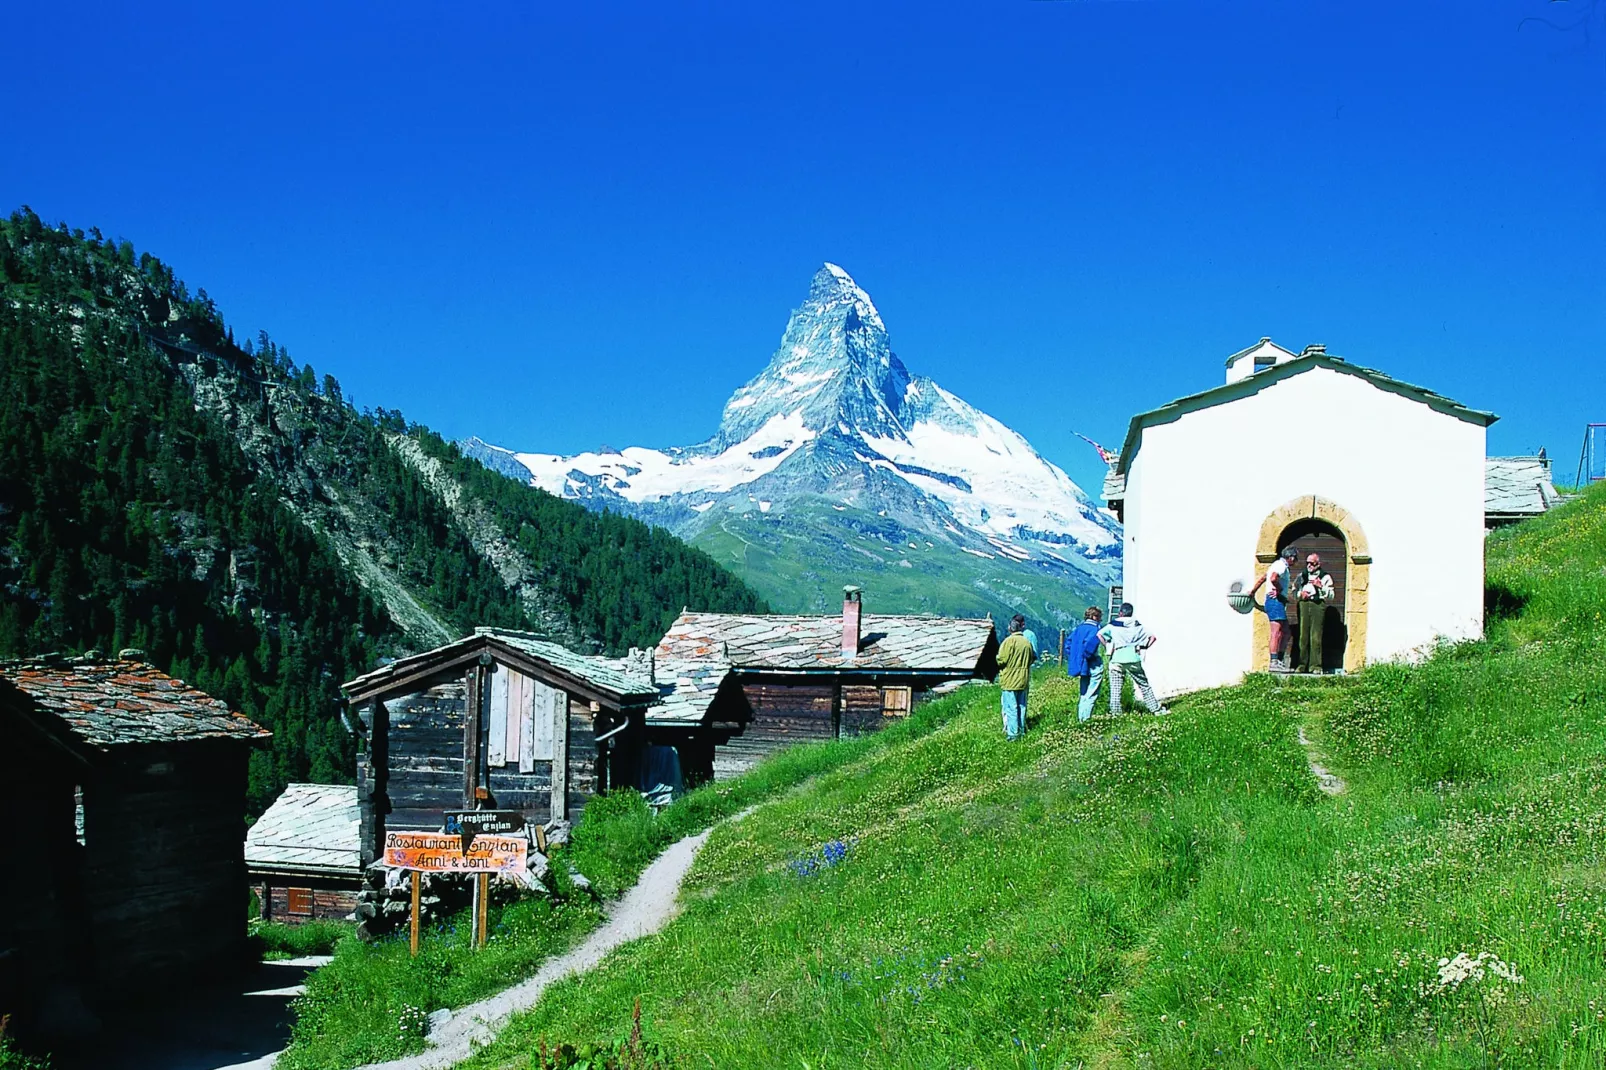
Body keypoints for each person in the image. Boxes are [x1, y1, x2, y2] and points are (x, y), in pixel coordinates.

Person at [1098, 602, 1167, 716]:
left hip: (1117, 658)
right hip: (1133, 657)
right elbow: (1152, 637)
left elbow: (1099, 634)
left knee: (1115, 688)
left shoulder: (1113, 625)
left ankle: (1116, 713)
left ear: (1120, 613)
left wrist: (1107, 646)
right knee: (1144, 685)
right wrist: (1144, 647)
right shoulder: (1137, 624)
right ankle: (1155, 709)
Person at [1249, 546, 1299, 671]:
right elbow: (1273, 578)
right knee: (1276, 632)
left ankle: (1279, 660)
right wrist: (1279, 589)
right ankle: (1274, 662)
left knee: (1286, 632)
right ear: (1291, 557)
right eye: (1295, 559)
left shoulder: (1275, 565)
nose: (1296, 561)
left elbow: (1263, 578)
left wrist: (1253, 592)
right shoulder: (1281, 566)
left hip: (1277, 601)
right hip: (1275, 601)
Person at [1293, 553, 1336, 674]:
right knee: (1303, 636)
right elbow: (1294, 590)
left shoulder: (1325, 577)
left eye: (1312, 563)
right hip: (1304, 604)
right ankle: (1302, 665)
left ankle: (1315, 666)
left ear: (1318, 564)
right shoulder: (1302, 576)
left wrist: (1321, 586)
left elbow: (1331, 595)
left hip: (1317, 605)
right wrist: (1300, 595)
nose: (1309, 565)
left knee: (1316, 636)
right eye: (1307, 563)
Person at [996, 614, 1036, 740]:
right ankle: (1022, 729)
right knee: (1022, 705)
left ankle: (1013, 734)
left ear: (1010, 629)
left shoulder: (1008, 642)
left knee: (1011, 706)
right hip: (1023, 677)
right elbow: (1032, 658)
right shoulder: (1026, 642)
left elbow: (1001, 660)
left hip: (1010, 679)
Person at [1063, 606, 1105, 723]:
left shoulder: (1078, 629)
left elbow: (1068, 644)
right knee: (1092, 693)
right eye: (1100, 617)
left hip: (1080, 665)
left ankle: (1080, 718)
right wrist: (1088, 656)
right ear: (1094, 616)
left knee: (1084, 692)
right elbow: (1090, 646)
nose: (1100, 620)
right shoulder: (1096, 629)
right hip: (1092, 663)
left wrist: (1075, 657)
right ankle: (1086, 721)